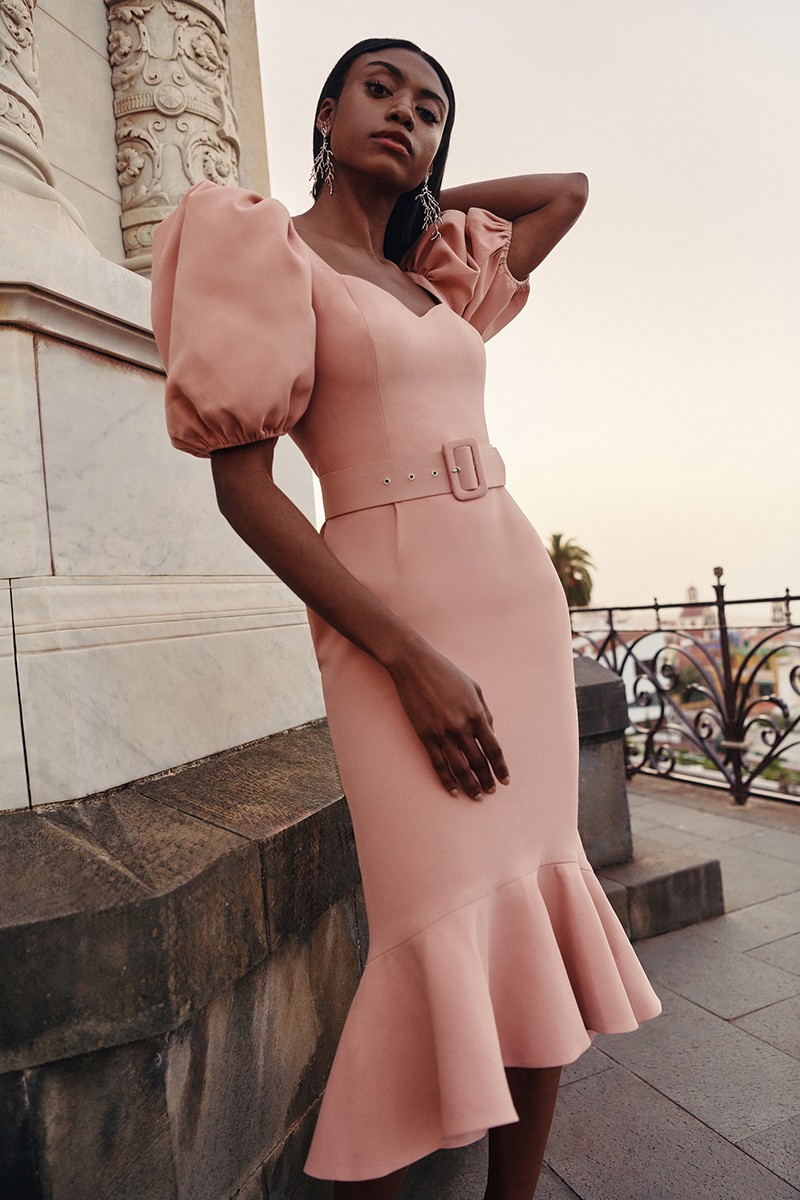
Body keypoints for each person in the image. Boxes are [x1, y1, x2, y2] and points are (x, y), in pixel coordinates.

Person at [150, 37, 662, 1200]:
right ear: (324, 112)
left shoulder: (438, 280)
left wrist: (417, 197)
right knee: (431, 913)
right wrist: (402, 655)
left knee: (535, 901)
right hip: (393, 627)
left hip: (512, 602)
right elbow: (244, 492)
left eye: (429, 109)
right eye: (377, 91)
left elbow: (563, 193)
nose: (404, 114)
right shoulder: (265, 253)